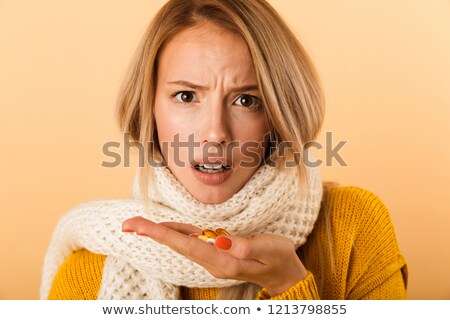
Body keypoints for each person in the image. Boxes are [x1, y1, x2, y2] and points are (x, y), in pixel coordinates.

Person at [40, 0, 407, 300]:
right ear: (147, 109)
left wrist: (290, 287)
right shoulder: (86, 278)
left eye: (246, 100)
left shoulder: (353, 227)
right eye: (186, 96)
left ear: (279, 116)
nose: (215, 134)